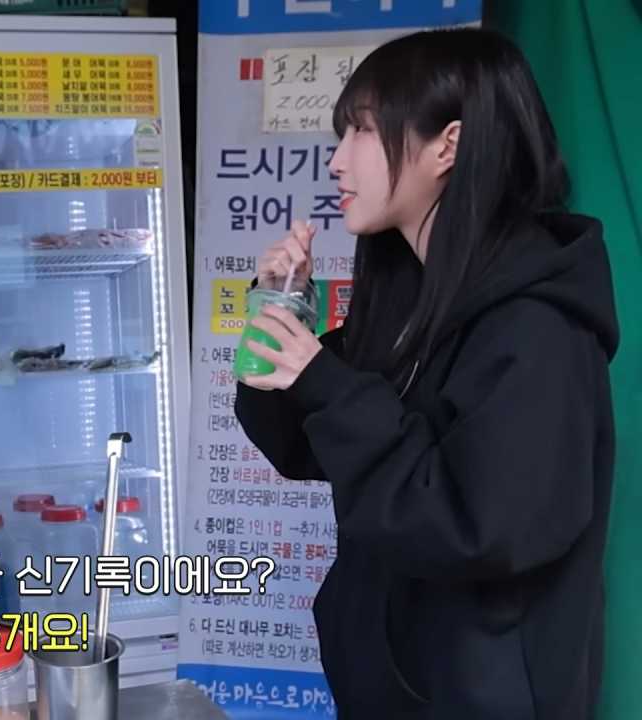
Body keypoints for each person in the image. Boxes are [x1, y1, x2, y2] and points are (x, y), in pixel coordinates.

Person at [234, 27, 616, 719]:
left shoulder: (537, 329)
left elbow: (478, 524)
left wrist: (327, 381)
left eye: (362, 130)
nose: (337, 160)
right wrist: (279, 308)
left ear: (449, 145)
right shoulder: (412, 301)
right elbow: (301, 445)